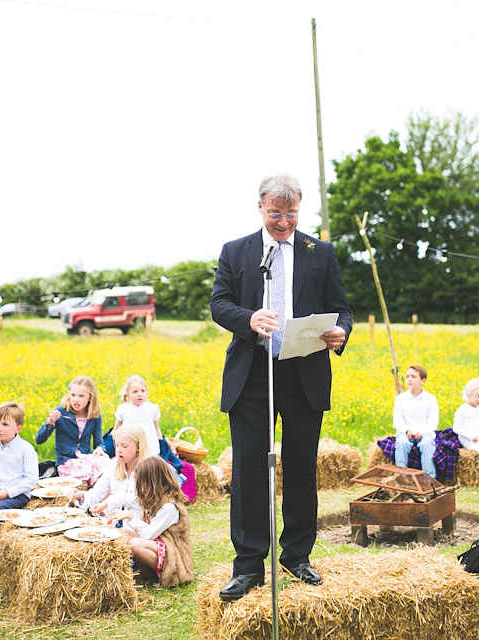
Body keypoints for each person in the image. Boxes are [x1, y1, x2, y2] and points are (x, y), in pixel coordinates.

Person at [210, 174, 352, 600]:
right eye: (276, 213)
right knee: (250, 469)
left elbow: (341, 310)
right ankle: (249, 566)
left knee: (302, 466)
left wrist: (340, 332)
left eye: (291, 214)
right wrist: (248, 320)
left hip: (304, 373)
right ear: (260, 207)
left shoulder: (320, 251)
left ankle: (297, 555)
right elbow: (219, 303)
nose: (284, 222)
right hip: (252, 373)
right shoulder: (236, 252)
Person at [107, 456, 193, 588]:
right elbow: (128, 499)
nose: (138, 486)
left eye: (141, 482)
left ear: (152, 482)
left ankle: (161, 573)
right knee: (124, 533)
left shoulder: (169, 507)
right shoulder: (153, 497)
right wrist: (105, 504)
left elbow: (149, 535)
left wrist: (130, 516)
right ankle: (146, 571)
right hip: (159, 545)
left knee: (134, 544)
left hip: (174, 556)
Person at [68, 422, 151, 516]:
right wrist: (80, 496)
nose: (119, 450)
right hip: (113, 523)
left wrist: (109, 503)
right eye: (116, 445)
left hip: (139, 525)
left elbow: (141, 502)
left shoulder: (149, 469)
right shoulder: (113, 465)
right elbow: (97, 493)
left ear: (139, 446)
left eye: (124, 446)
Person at [0, 401, 39, 513]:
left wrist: (7, 493)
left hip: (17, 495)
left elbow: (31, 480)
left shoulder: (26, 449)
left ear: (18, 428)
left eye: (5, 424)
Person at [36, 375, 103, 468]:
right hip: (65, 462)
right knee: (87, 473)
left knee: (106, 466)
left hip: (85, 459)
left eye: (81, 396)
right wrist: (50, 422)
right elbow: (39, 440)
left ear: (90, 398)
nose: (76, 400)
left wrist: (99, 449)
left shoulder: (95, 416)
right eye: (73, 395)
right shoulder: (60, 412)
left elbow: (99, 442)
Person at [393, 365, 440, 479]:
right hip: (406, 432)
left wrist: (422, 433)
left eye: (413, 377)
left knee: (427, 444)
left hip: (425, 432)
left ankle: (429, 479)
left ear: (422, 381)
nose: (409, 379)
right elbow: (397, 420)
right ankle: (401, 476)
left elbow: (433, 422)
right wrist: (407, 431)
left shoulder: (430, 399)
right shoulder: (401, 398)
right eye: (407, 376)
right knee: (401, 443)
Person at [112, 374, 162, 458]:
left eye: (142, 391)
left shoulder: (152, 408)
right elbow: (116, 429)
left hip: (149, 447)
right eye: (135, 392)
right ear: (127, 395)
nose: (140, 394)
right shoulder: (123, 409)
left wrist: (162, 444)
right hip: (129, 447)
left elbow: (157, 429)